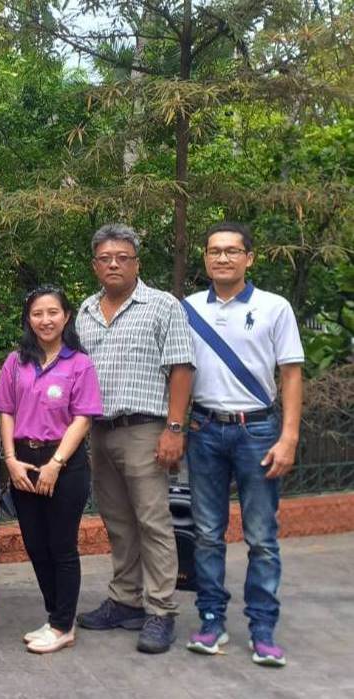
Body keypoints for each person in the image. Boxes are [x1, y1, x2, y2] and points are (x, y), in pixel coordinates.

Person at [182, 222, 303, 667]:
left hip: (258, 432)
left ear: (250, 258)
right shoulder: (188, 308)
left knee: (261, 537)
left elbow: (290, 374)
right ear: (206, 258)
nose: (223, 258)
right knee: (208, 534)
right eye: (215, 251)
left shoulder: (275, 308)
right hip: (204, 430)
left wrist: (288, 436)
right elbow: (179, 373)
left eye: (233, 251)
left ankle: (262, 627)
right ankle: (211, 620)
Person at [74, 223, 195, 654]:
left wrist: (174, 429)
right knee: (118, 521)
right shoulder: (85, 311)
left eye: (122, 257)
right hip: (99, 431)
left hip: (147, 430)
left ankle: (160, 610)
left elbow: (182, 367)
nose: (113, 264)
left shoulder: (162, 306)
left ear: (136, 262)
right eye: (105, 258)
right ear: (94, 265)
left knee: (153, 521)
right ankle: (126, 600)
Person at [0, 286, 103, 654]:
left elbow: (83, 418)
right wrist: (10, 459)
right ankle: (54, 615)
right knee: (36, 545)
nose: (45, 320)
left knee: (61, 546)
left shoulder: (79, 364)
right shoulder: (16, 362)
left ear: (66, 316)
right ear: (29, 318)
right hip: (23, 458)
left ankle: (62, 625)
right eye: (38, 313)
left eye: (53, 312)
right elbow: (5, 411)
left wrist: (56, 464)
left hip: (64, 462)